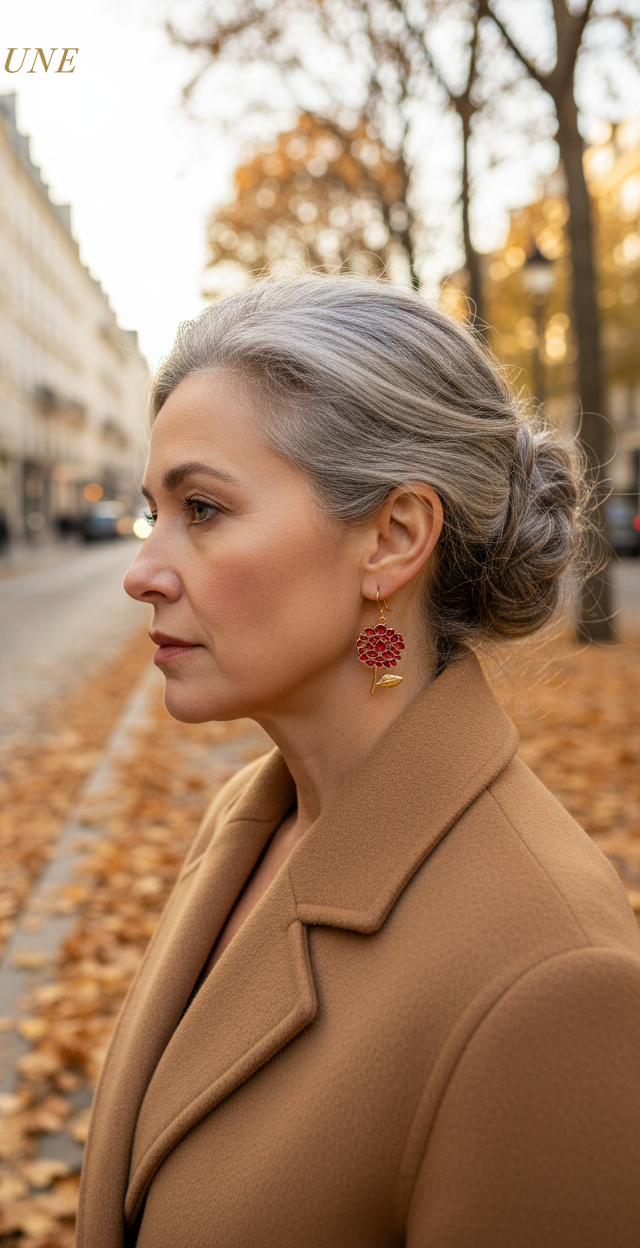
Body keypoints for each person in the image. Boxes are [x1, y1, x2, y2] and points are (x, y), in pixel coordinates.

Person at [76, 276, 640, 1248]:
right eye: (152, 511)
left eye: (202, 509)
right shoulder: (257, 823)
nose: (143, 570)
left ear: (392, 538)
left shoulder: (553, 983)